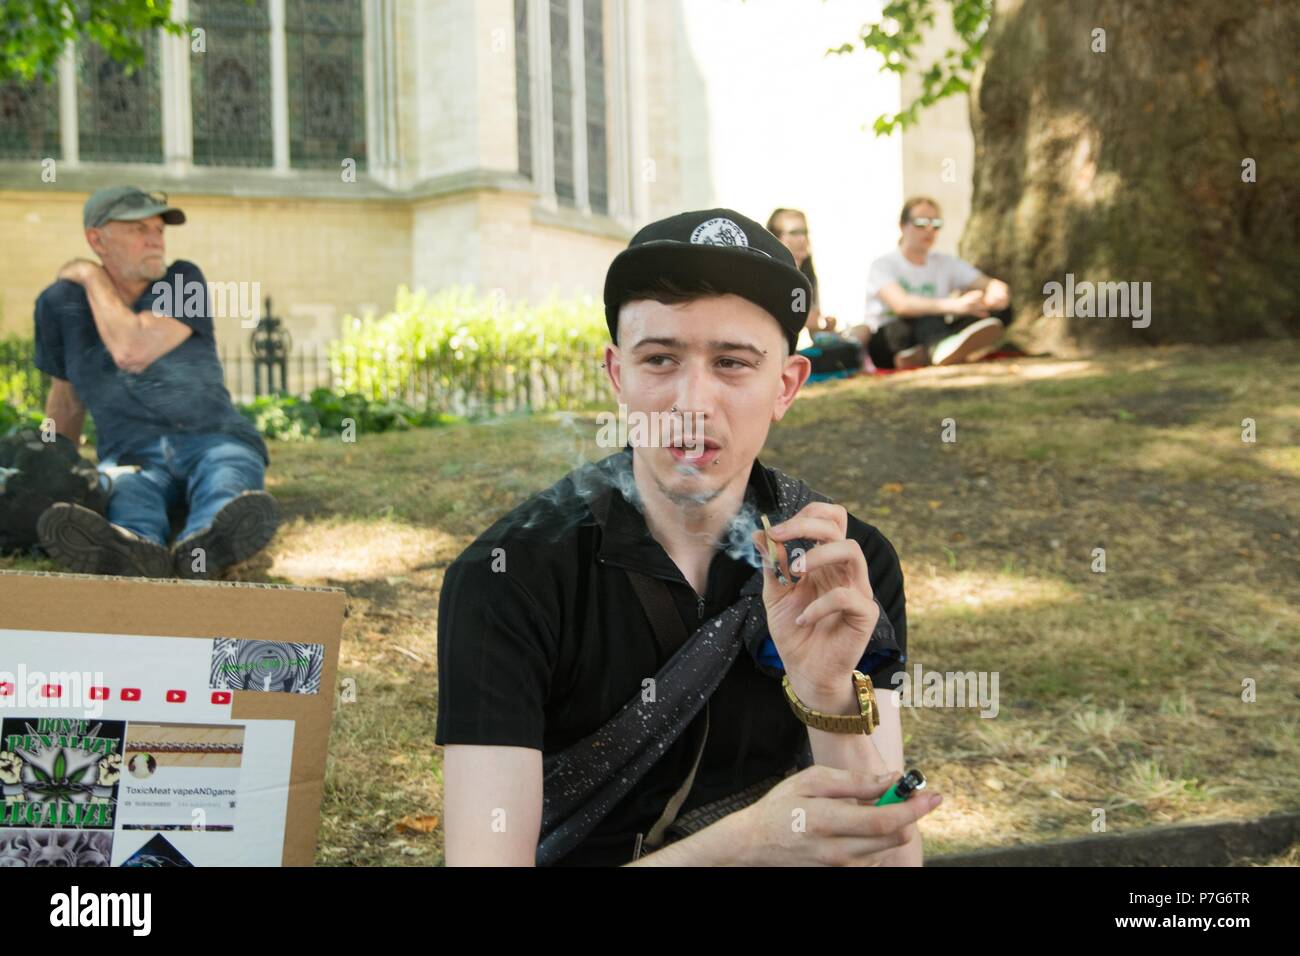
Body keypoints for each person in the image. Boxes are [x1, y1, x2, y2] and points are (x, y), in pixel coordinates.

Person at [436, 208, 941, 866]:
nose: (692, 402)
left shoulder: (847, 564)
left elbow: (889, 861)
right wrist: (752, 842)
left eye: (732, 363)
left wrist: (830, 696)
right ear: (618, 376)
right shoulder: (510, 576)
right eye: (660, 359)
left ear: (786, 385)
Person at [31, 185, 278, 579]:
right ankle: (131, 551)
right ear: (97, 239)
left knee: (226, 479)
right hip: (131, 457)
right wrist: (53, 467)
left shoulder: (182, 280)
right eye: (138, 228)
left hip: (214, 437)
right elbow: (65, 399)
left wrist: (89, 274)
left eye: (159, 229)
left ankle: (205, 549)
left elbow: (133, 349)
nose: (155, 239)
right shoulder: (58, 305)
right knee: (128, 499)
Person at [854, 196, 1011, 369]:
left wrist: (996, 293)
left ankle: (926, 354)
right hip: (891, 338)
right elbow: (902, 305)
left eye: (936, 224)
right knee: (925, 318)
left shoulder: (945, 262)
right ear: (902, 226)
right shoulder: (883, 265)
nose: (929, 229)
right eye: (921, 223)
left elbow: (988, 283)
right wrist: (955, 305)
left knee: (997, 312)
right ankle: (938, 350)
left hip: (935, 329)